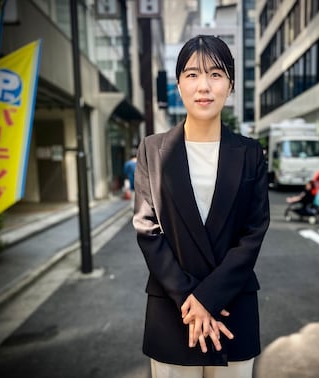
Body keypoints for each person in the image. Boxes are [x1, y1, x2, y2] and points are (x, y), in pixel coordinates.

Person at [132, 35, 270, 378]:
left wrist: (209, 297)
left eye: (216, 74)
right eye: (192, 74)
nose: (204, 86)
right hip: (173, 308)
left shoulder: (250, 153)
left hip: (233, 305)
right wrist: (191, 301)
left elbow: (253, 233)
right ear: (178, 84)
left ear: (231, 84)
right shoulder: (152, 149)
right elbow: (148, 230)